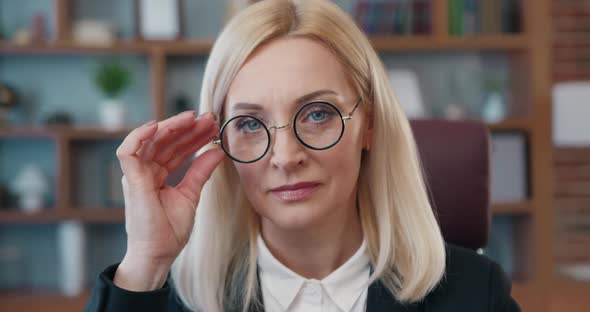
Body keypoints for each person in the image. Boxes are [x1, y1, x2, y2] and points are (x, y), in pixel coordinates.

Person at [84, 0, 520, 311]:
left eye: (317, 114)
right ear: (221, 142)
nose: (286, 156)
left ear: (368, 125)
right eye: (250, 124)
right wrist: (146, 262)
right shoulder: (166, 297)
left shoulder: (475, 293)